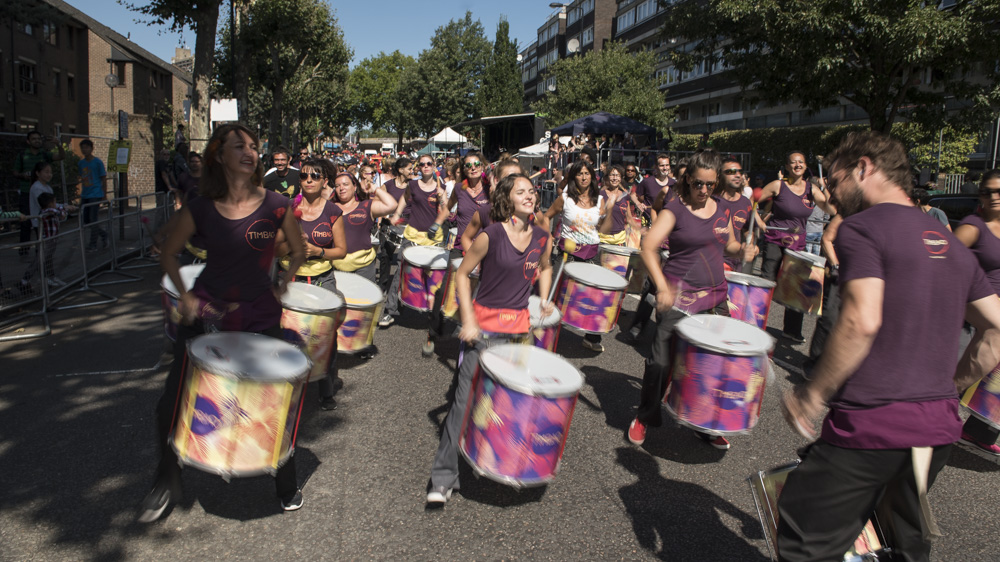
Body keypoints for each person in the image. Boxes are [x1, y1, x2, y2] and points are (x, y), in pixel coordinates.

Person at [777, 132, 1000, 561]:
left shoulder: (863, 228)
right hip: (936, 432)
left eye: (837, 182)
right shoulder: (952, 244)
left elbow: (862, 320)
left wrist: (813, 394)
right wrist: (950, 389)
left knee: (806, 539)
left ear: (865, 168)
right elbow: (994, 331)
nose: (833, 196)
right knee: (903, 541)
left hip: (872, 425)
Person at [138, 124, 307, 523]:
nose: (250, 152)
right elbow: (168, 254)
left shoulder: (278, 204)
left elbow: (297, 249)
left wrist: (284, 281)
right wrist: (187, 293)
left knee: (275, 398)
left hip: (260, 314)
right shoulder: (199, 207)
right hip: (208, 314)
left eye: (254, 146)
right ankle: (165, 480)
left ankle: (285, 481)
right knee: (171, 402)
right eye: (239, 146)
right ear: (219, 156)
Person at [425, 173, 553, 506]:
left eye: (531, 191)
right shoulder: (491, 235)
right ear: (507, 200)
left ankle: (499, 460)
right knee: (463, 403)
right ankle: (443, 478)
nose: (529, 195)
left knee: (508, 404)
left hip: (518, 335)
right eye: (520, 191)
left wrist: (545, 297)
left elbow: (545, 266)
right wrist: (467, 319)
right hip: (483, 332)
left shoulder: (541, 236)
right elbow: (463, 275)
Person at [626, 149, 751, 451]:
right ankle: (645, 416)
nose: (704, 190)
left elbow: (729, 244)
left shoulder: (722, 208)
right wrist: (662, 288)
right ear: (688, 181)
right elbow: (649, 247)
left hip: (715, 297)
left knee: (712, 365)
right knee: (660, 363)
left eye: (710, 185)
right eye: (698, 184)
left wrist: (742, 251)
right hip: (679, 298)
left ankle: (705, 424)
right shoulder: (675, 210)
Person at [276, 159, 348, 411]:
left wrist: (318, 250)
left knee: (325, 335)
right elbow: (274, 249)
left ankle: (326, 389)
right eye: (305, 176)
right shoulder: (287, 208)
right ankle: (284, 386)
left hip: (322, 280)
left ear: (324, 181)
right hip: (290, 278)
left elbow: (340, 251)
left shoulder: (332, 211)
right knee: (286, 334)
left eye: (315, 176)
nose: (309, 180)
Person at [756, 151, 835, 343]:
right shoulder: (778, 185)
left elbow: (831, 209)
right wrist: (759, 222)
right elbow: (752, 200)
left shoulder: (811, 189)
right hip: (775, 241)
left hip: (797, 245)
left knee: (795, 289)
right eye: (793, 162)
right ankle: (756, 324)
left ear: (806, 166)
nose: (797, 165)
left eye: (801, 162)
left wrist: (824, 188)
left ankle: (791, 331)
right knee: (767, 283)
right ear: (787, 166)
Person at [423, 153, 497, 354]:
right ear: (463, 169)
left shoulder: (491, 189)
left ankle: (477, 336)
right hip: (460, 247)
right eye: (468, 165)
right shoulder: (459, 188)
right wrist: (437, 223)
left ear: (482, 166)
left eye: (477, 164)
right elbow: (448, 207)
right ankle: (433, 332)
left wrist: (494, 183)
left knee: (483, 294)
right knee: (445, 291)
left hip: (486, 249)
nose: (473, 168)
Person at [951, 169, 1000, 455]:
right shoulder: (974, 225)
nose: (993, 197)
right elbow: (945, 259)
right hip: (975, 305)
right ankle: (947, 399)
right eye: (986, 192)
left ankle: (979, 429)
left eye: (998, 192)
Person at [380, 155, 450, 327]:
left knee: (433, 278)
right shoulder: (412, 185)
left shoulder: (442, 187)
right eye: (422, 164)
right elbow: (404, 198)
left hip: (434, 239)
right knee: (400, 274)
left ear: (434, 166)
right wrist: (396, 214)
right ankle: (390, 310)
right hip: (412, 236)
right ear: (418, 167)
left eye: (429, 164)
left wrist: (442, 197)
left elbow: (446, 210)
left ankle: (433, 314)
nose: (425, 166)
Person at [331, 171, 398, 283]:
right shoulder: (330, 207)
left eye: (345, 184)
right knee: (341, 299)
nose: (341, 188)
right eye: (337, 186)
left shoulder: (366, 205)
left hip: (364, 267)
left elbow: (392, 205)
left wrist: (376, 189)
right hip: (338, 266)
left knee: (363, 299)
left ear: (354, 186)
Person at [13, 130, 65, 255]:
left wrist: (58, 145)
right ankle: (25, 250)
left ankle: (40, 250)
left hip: (42, 193)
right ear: (28, 141)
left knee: (42, 220)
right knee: (26, 221)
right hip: (27, 192)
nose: (37, 141)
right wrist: (24, 176)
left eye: (39, 139)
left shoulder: (44, 154)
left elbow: (61, 156)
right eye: (34, 139)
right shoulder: (22, 155)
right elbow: (15, 172)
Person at [21, 192, 72, 289]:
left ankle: (49, 277)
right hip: (46, 241)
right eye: (54, 202)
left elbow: (60, 211)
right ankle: (25, 280)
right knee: (39, 261)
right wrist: (65, 209)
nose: (56, 204)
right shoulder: (47, 211)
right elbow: (61, 214)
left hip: (52, 240)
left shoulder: (50, 210)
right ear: (50, 203)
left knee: (48, 260)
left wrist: (63, 208)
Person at [376, 157, 412, 295]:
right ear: (401, 170)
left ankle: (401, 288)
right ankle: (382, 287)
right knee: (385, 256)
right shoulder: (388, 185)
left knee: (404, 258)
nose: (412, 171)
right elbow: (377, 201)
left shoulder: (413, 185)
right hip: (388, 224)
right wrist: (382, 218)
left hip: (407, 225)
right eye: (409, 168)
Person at [713, 157, 754, 271]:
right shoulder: (712, 201)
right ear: (720, 175)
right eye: (731, 172)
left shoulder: (745, 202)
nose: (737, 175)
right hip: (715, 262)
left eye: (740, 172)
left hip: (736, 260)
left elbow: (748, 229)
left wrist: (749, 245)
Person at [78, 139, 109, 251]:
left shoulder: (97, 162)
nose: (84, 149)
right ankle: (103, 234)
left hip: (95, 193)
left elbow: (103, 178)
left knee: (93, 218)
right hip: (85, 194)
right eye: (83, 147)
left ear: (91, 148)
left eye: (86, 147)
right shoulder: (81, 163)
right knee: (85, 219)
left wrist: (104, 194)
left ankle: (93, 244)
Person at [631, 154, 675, 224]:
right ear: (656, 167)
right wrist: (638, 204)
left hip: (667, 223)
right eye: (662, 165)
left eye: (667, 165)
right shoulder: (647, 182)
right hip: (649, 222)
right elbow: (633, 195)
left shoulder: (674, 184)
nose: (665, 168)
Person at [598, 164, 631, 245]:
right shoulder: (600, 195)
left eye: (617, 175)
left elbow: (629, 218)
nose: (615, 178)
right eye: (612, 175)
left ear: (621, 178)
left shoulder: (625, 196)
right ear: (607, 177)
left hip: (620, 241)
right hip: (602, 240)